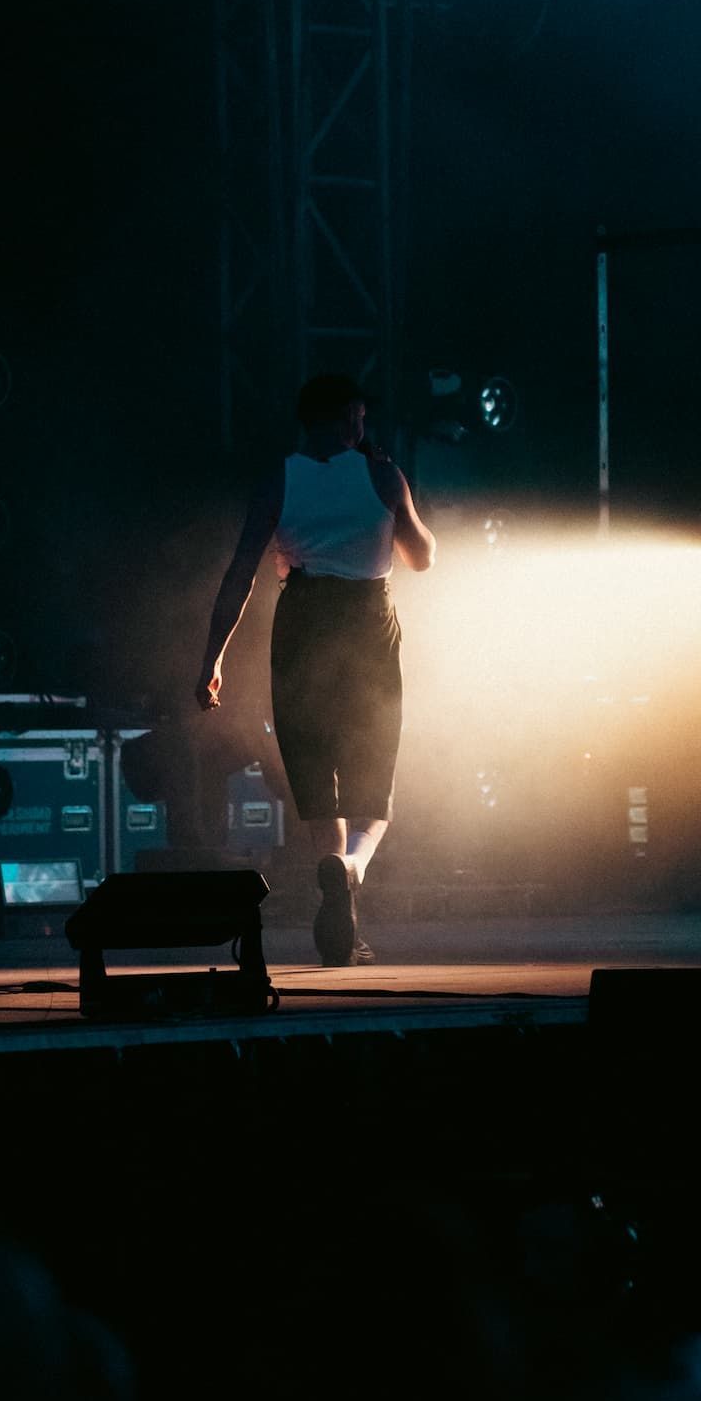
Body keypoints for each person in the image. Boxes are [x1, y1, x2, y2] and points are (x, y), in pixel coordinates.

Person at [196, 373, 436, 964]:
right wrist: (392, 494)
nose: (363, 426)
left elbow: (240, 573)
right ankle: (349, 868)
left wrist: (213, 657)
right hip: (367, 625)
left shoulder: (279, 479)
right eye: (360, 418)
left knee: (316, 779)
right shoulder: (382, 475)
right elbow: (422, 557)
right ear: (347, 419)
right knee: (372, 787)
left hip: (302, 623)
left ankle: (340, 905)